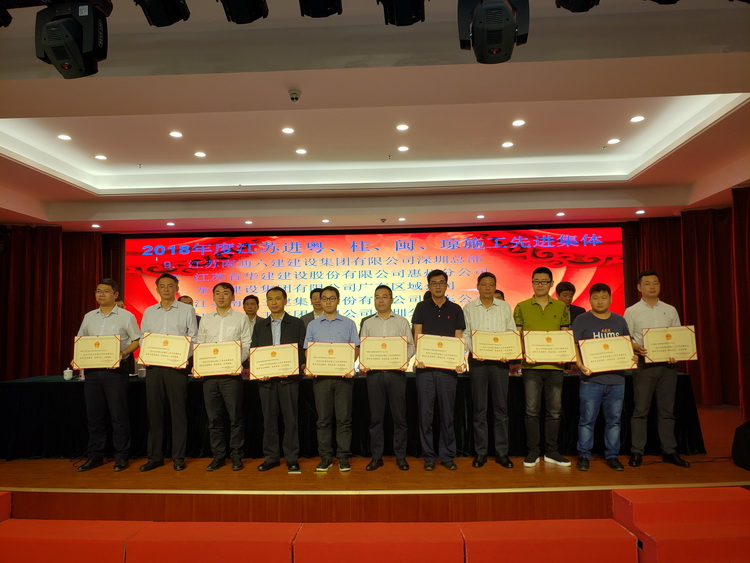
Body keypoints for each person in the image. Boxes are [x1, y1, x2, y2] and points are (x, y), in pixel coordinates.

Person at [624, 270, 690, 468]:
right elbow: (626, 339)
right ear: (639, 287)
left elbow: (678, 335)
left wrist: (676, 352)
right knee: (640, 410)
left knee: (667, 411)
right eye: (647, 283)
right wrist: (636, 347)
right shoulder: (632, 311)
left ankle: (669, 451)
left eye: (655, 283)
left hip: (668, 367)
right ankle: (637, 452)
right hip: (644, 366)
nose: (652, 287)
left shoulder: (670, 310)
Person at [75, 278, 141, 472]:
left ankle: (121, 456)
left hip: (116, 372)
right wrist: (77, 357)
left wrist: (124, 353)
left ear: (115, 294)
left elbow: (137, 340)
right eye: (98, 291)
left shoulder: (126, 316)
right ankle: (95, 456)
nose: (101, 294)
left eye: (105, 291)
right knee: (94, 416)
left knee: (119, 416)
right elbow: (81, 341)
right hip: (93, 372)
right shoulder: (89, 316)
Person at [139, 273, 198, 472]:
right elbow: (143, 338)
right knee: (154, 413)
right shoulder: (149, 311)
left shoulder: (187, 310)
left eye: (170, 286)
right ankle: (155, 456)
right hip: (154, 368)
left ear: (177, 288)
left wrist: (180, 357)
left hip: (176, 368)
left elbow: (194, 337)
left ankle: (178, 457)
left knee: (178, 413)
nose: (166, 289)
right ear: (157, 289)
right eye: (162, 286)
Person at [514, 266, 571, 468]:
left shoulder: (561, 307)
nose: (540, 285)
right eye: (536, 281)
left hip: (555, 367)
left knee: (554, 412)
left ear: (551, 284)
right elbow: (518, 336)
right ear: (532, 283)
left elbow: (565, 335)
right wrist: (524, 353)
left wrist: (564, 354)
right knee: (531, 411)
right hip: (530, 367)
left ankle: (552, 452)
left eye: (544, 281)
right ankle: (533, 452)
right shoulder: (521, 307)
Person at [573, 283, 632, 472]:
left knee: (614, 421)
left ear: (611, 299)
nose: (600, 301)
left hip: (617, 381)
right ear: (590, 299)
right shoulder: (582, 320)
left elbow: (626, 345)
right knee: (586, 421)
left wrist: (631, 357)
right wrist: (580, 364)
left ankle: (612, 456)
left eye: (604, 297)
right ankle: (584, 455)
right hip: (591, 380)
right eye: (596, 298)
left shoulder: (619, 320)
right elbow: (574, 345)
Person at [412, 269, 466, 471]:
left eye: (441, 282)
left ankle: (447, 455)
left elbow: (458, 338)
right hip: (425, 370)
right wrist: (419, 356)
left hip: (447, 371)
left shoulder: (456, 309)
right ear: (429, 286)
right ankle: (428, 456)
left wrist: (458, 360)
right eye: (434, 283)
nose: (438, 286)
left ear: (446, 285)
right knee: (426, 416)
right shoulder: (421, 307)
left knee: (447, 415)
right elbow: (417, 335)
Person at [195, 282, 252, 472]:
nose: (221, 296)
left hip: (231, 376)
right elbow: (200, 344)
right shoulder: (205, 319)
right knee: (214, 419)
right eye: (217, 293)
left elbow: (246, 344)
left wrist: (234, 362)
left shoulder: (241, 318)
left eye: (225, 293)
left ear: (233, 297)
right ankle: (218, 456)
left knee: (235, 418)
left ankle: (236, 456)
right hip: (210, 376)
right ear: (213, 297)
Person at [304, 286, 360, 472]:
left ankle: (343, 457)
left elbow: (356, 348)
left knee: (344, 420)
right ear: (320, 301)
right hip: (321, 380)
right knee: (323, 420)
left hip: (344, 379)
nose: (328, 301)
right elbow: (308, 350)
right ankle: (326, 457)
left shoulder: (349, 323)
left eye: (332, 298)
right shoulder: (313, 325)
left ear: (338, 300)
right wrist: (311, 366)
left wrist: (349, 366)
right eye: (325, 298)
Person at [463, 272, 515, 469]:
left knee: (501, 408)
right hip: (478, 362)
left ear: (495, 287)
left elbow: (511, 332)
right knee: (479, 409)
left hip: (500, 363)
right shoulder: (469, 308)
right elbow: (465, 335)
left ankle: (502, 453)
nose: (487, 287)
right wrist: (476, 350)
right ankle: (481, 452)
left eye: (491, 284)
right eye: (483, 284)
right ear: (477, 286)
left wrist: (507, 351)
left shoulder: (504, 307)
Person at [252, 286, 306, 474]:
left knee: (291, 421)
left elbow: (301, 350)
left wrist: (291, 368)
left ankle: (291, 458)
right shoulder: (260, 326)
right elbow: (254, 351)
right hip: (266, 381)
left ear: (285, 300)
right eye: (270, 299)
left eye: (277, 298)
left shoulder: (297, 323)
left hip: (289, 380)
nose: (274, 302)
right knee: (269, 421)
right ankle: (271, 457)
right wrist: (259, 370)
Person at [360, 285, 415, 471]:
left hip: (396, 375)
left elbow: (410, 346)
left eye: (384, 296)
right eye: (377, 297)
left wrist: (402, 360)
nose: (380, 300)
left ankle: (401, 456)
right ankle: (377, 457)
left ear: (391, 300)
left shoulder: (401, 322)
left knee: (399, 418)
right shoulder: (368, 323)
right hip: (374, 376)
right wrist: (365, 361)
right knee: (376, 419)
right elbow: (363, 347)